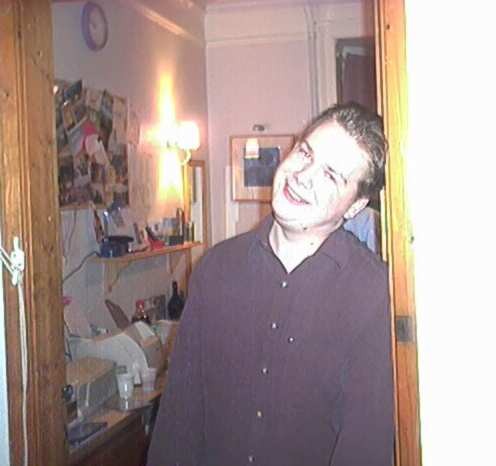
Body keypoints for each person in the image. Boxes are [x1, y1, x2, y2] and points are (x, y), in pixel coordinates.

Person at [147, 103, 394, 466]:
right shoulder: (215, 269)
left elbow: (366, 448)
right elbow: (178, 418)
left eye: (331, 175)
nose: (303, 176)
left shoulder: (374, 295)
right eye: (306, 153)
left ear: (355, 205)